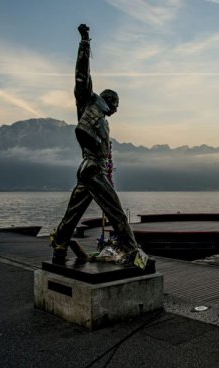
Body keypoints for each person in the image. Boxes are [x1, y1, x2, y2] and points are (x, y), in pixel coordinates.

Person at [50, 24, 151, 271]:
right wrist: (85, 43)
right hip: (93, 168)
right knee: (116, 210)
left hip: (90, 171)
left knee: (73, 214)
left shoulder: (103, 123)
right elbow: (81, 75)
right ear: (107, 99)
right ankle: (133, 251)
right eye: (115, 102)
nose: (117, 107)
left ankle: (60, 244)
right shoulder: (88, 104)